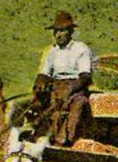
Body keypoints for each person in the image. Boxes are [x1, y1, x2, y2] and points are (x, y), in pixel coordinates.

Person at [31, 10, 94, 145]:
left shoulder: (81, 48)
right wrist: (39, 83)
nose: (58, 34)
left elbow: (85, 77)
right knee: (34, 105)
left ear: (70, 32)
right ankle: (32, 134)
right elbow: (44, 73)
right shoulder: (51, 51)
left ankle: (64, 139)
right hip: (55, 87)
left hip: (75, 89)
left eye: (62, 31)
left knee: (78, 104)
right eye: (56, 31)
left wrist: (70, 88)